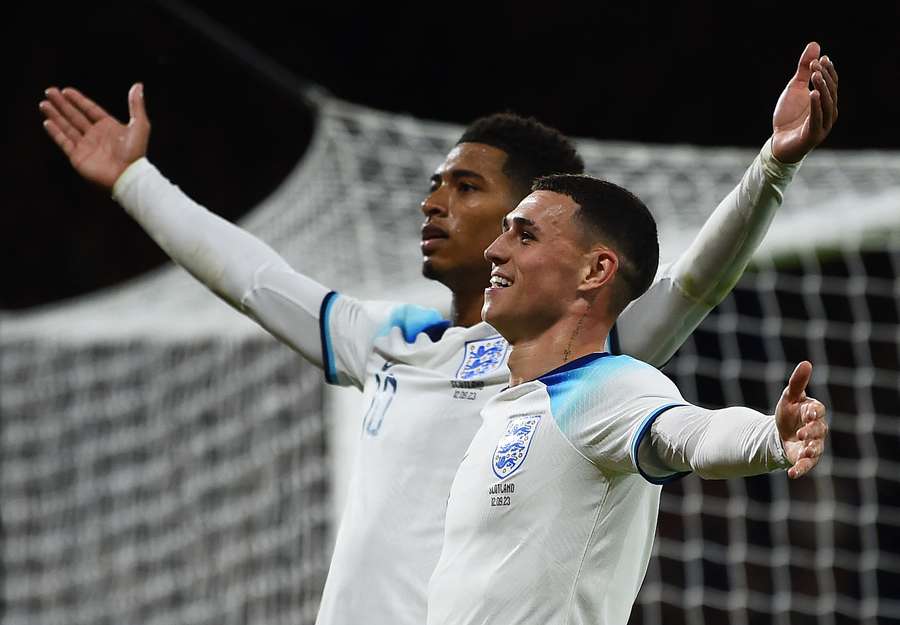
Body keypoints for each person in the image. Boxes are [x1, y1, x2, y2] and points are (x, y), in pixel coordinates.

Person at [39, 41, 837, 625]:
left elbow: (697, 291)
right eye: (432, 185)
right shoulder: (391, 338)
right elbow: (253, 278)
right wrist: (135, 180)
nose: (432, 204)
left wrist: (772, 164)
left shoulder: (588, 360)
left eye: (464, 186)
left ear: (533, 215)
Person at [427, 174, 828, 625]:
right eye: (505, 231)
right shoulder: (506, 410)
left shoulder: (607, 386)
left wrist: (769, 437)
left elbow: (689, 434)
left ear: (595, 271)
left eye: (525, 235)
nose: (494, 250)